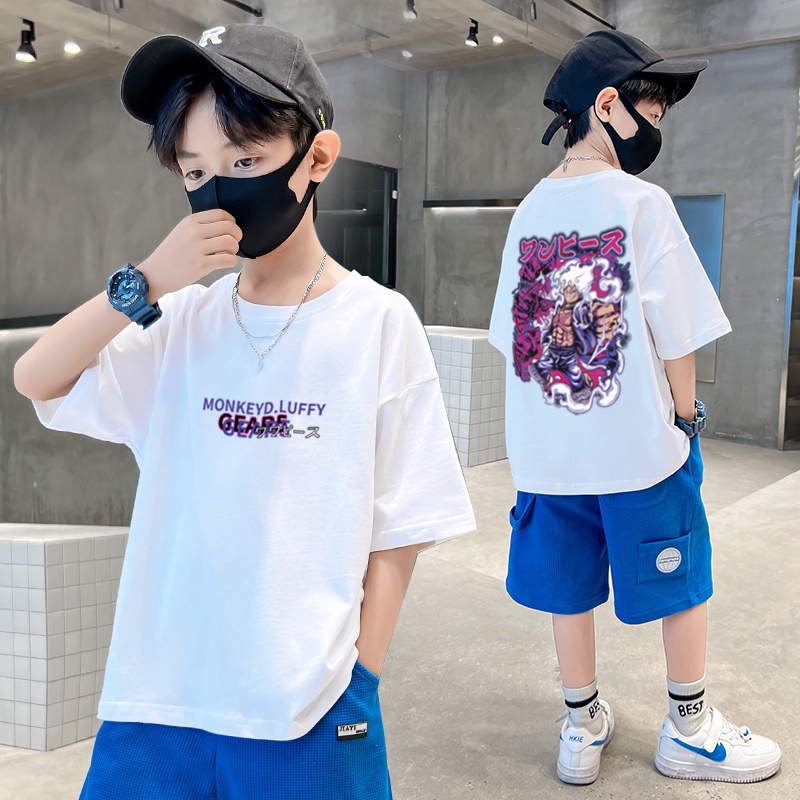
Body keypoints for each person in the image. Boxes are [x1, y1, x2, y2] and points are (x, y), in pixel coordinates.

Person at [14, 23, 475, 800]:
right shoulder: (179, 324)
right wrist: (147, 280)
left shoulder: (377, 324)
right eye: (196, 171)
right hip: (157, 705)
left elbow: (403, 525)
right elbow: (38, 377)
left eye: (245, 162)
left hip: (310, 712)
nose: (217, 191)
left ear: (316, 159)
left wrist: (359, 678)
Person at [488, 29, 781, 785]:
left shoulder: (528, 212)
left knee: (569, 588)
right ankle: (689, 727)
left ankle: (581, 726)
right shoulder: (642, 204)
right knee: (683, 576)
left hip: (549, 456)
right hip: (636, 449)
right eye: (651, 113)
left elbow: (515, 340)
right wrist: (685, 420)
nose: (656, 131)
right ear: (607, 105)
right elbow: (677, 335)